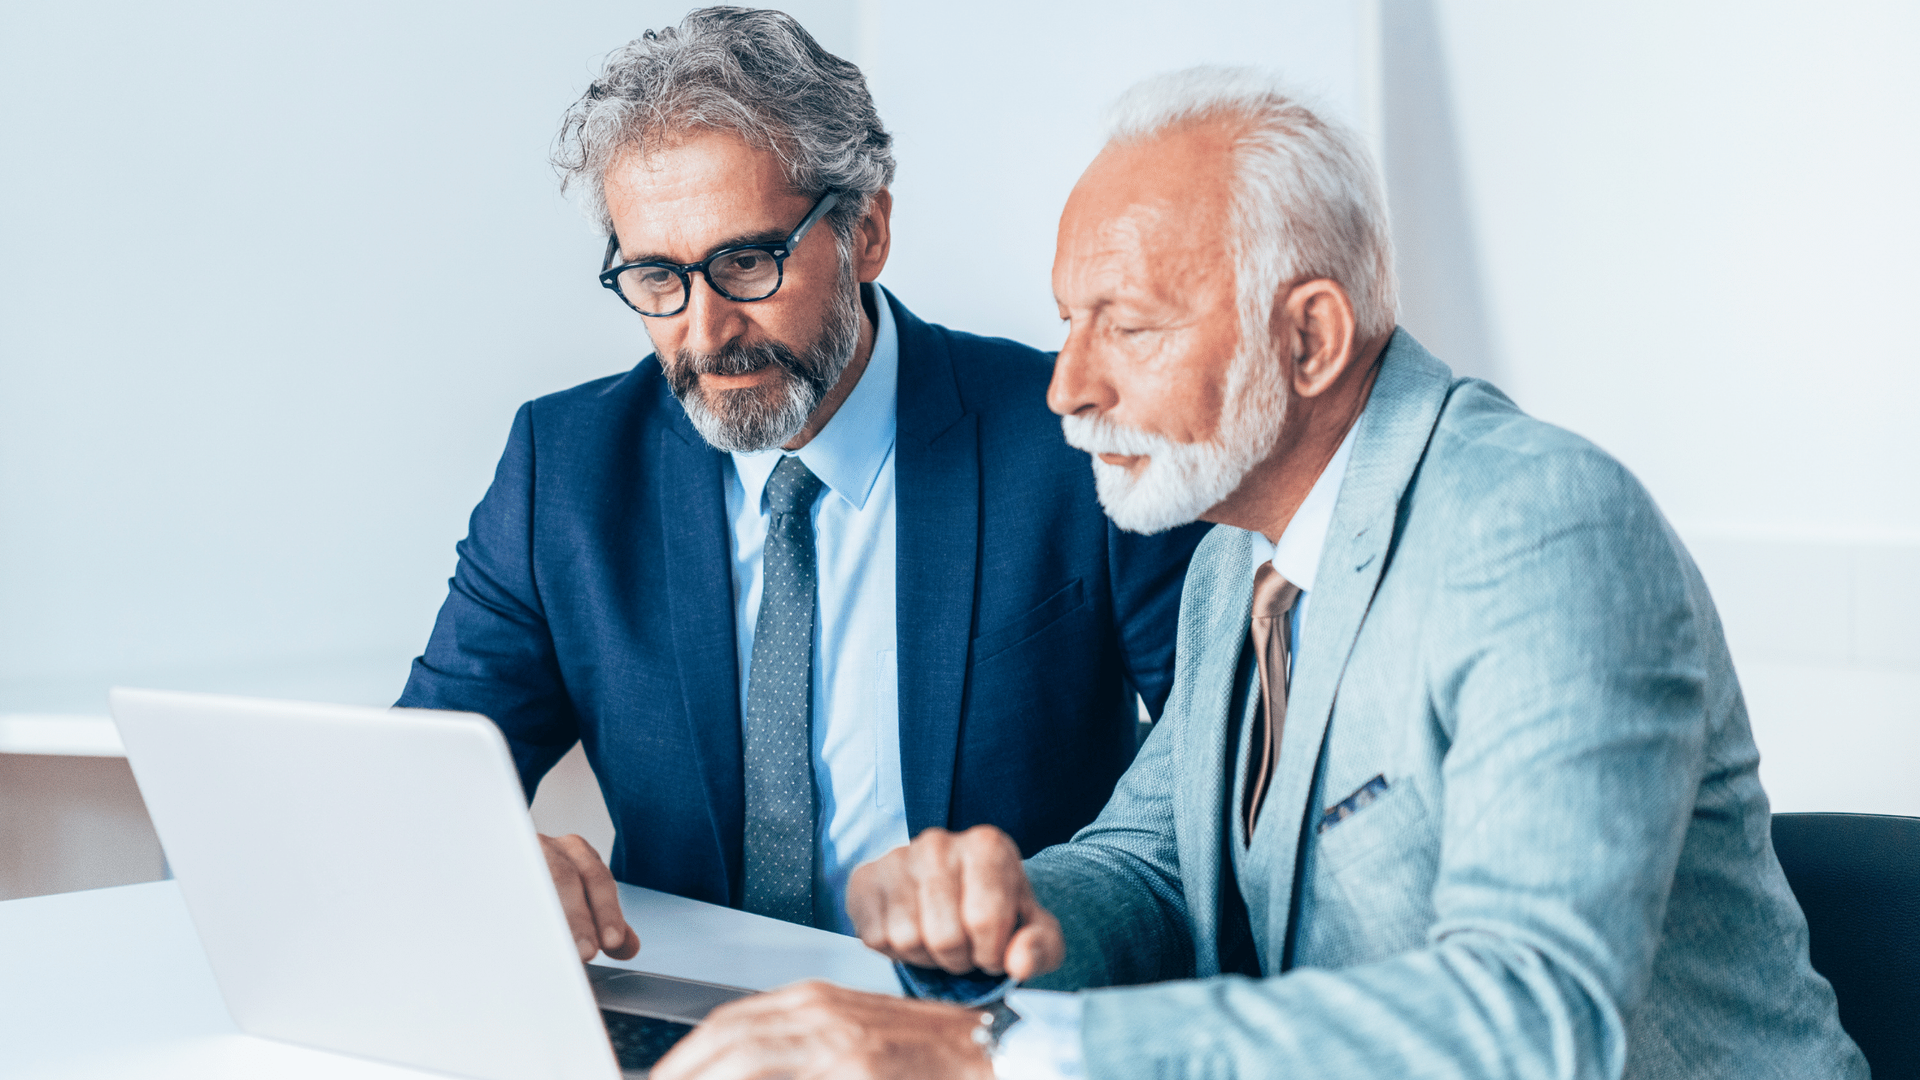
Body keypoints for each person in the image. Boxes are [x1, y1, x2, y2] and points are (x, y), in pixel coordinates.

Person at [652, 67, 1867, 1079]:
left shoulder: (1539, 528)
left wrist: (994, 1056)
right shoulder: (1239, 552)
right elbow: (1155, 868)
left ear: (1312, 337)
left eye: (1126, 327)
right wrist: (1002, 921)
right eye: (1068, 324)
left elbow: (1530, 1015)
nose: (1067, 387)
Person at [396, 8, 1206, 956]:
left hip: (974, 1024)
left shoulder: (1071, 434)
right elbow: (422, 780)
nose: (704, 334)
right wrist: (486, 855)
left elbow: (1219, 773)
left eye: (747, 262)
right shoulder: (564, 469)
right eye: (657, 277)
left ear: (866, 232)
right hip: (687, 1025)